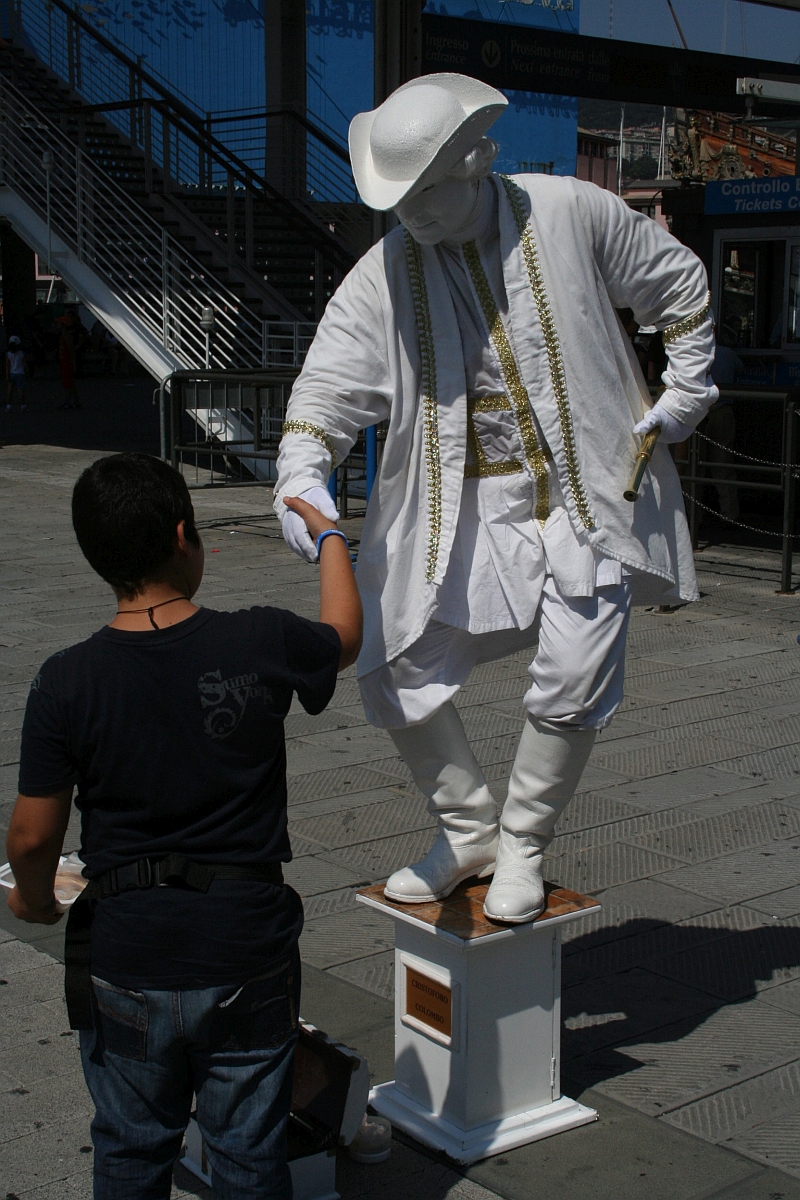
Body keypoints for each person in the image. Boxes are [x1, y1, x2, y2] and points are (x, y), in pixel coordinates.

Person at [274, 73, 717, 924]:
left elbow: (681, 286)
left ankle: (523, 842)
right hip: (462, 510)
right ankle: (467, 827)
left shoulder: (570, 211)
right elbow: (321, 396)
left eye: (429, 195)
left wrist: (687, 386)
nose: (415, 217)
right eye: (399, 202)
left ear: (476, 163)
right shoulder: (386, 270)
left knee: (577, 669)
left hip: (589, 495)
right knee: (390, 656)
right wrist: (302, 473)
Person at [5, 452, 362, 1199]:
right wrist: (329, 536)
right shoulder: (259, 640)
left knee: (133, 1152)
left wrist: (34, 902)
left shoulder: (65, 679)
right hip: (244, 948)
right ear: (182, 535)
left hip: (128, 949)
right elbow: (343, 635)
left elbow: (34, 838)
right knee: (247, 1155)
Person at [57, 310, 81, 409]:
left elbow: (71, 350)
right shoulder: (64, 335)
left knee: (68, 382)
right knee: (70, 382)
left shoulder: (66, 336)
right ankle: (75, 400)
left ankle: (68, 401)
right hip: (65, 360)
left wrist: (73, 362)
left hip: (67, 361)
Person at [5, 334, 28, 412]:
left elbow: (7, 366)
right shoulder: (21, 354)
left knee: (10, 390)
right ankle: (23, 406)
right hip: (20, 373)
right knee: (20, 390)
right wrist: (27, 373)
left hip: (12, 373)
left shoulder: (8, 354)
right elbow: (25, 365)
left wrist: (7, 375)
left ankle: (8, 406)